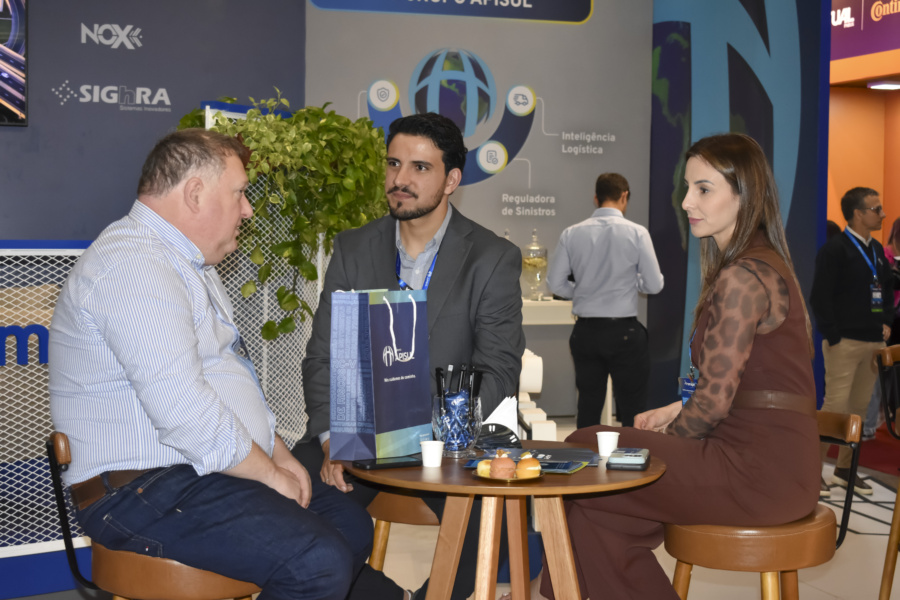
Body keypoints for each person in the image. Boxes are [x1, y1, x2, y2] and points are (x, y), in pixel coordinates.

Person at [48, 129, 373, 600]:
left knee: (348, 524)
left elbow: (223, 380)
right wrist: (269, 474)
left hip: (191, 471)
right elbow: (185, 411)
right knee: (315, 559)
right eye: (239, 193)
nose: (248, 209)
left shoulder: (188, 263)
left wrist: (276, 451)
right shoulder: (133, 264)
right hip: (140, 488)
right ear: (196, 193)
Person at [539, 133, 820, 600]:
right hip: (771, 465)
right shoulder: (759, 264)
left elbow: (712, 405)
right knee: (596, 509)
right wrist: (674, 411)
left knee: (584, 444)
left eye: (703, 189)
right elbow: (736, 387)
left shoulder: (743, 276)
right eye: (687, 188)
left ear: (745, 194)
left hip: (757, 471)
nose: (687, 201)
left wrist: (665, 436)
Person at [293, 112, 525, 600]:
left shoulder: (490, 258)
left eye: (420, 168)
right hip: (358, 433)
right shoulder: (353, 248)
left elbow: (500, 372)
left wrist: (432, 432)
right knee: (292, 498)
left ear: (451, 180)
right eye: (394, 163)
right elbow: (322, 358)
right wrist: (333, 437)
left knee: (490, 521)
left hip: (451, 439)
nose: (400, 179)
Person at [546, 173, 664, 427]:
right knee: (633, 409)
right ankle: (631, 452)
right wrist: (634, 282)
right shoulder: (638, 233)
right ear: (624, 196)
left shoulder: (571, 233)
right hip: (625, 332)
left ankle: (585, 453)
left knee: (588, 406)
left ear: (596, 198)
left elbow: (555, 284)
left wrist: (584, 291)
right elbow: (654, 284)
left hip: (586, 332)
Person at [810, 187, 893, 496]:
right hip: (844, 343)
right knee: (835, 407)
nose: (882, 214)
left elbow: (886, 289)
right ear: (858, 214)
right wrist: (833, 335)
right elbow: (820, 297)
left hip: (873, 343)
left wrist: (886, 321)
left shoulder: (876, 251)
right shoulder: (835, 250)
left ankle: (845, 470)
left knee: (858, 408)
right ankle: (812, 473)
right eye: (876, 209)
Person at [863, 217, 900, 441]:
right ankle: (869, 424)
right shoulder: (882, 255)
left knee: (889, 374)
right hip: (880, 322)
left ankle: (884, 416)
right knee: (876, 374)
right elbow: (877, 290)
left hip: (892, 319)